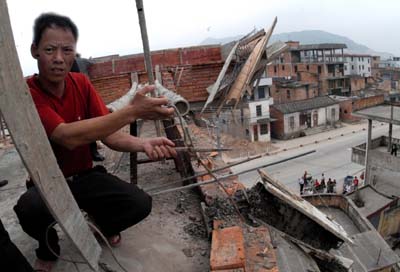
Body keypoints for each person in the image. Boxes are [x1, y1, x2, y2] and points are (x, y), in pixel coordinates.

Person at [13, 13, 177, 272]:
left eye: (67, 50)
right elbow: (67, 136)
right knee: (28, 209)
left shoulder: (81, 83)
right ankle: (49, 247)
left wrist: (141, 144)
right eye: (50, 49)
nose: (58, 58)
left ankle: (102, 224)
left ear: (74, 53)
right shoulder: (26, 94)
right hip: (47, 181)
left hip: (85, 176)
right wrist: (131, 111)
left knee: (139, 202)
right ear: (35, 51)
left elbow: (109, 135)